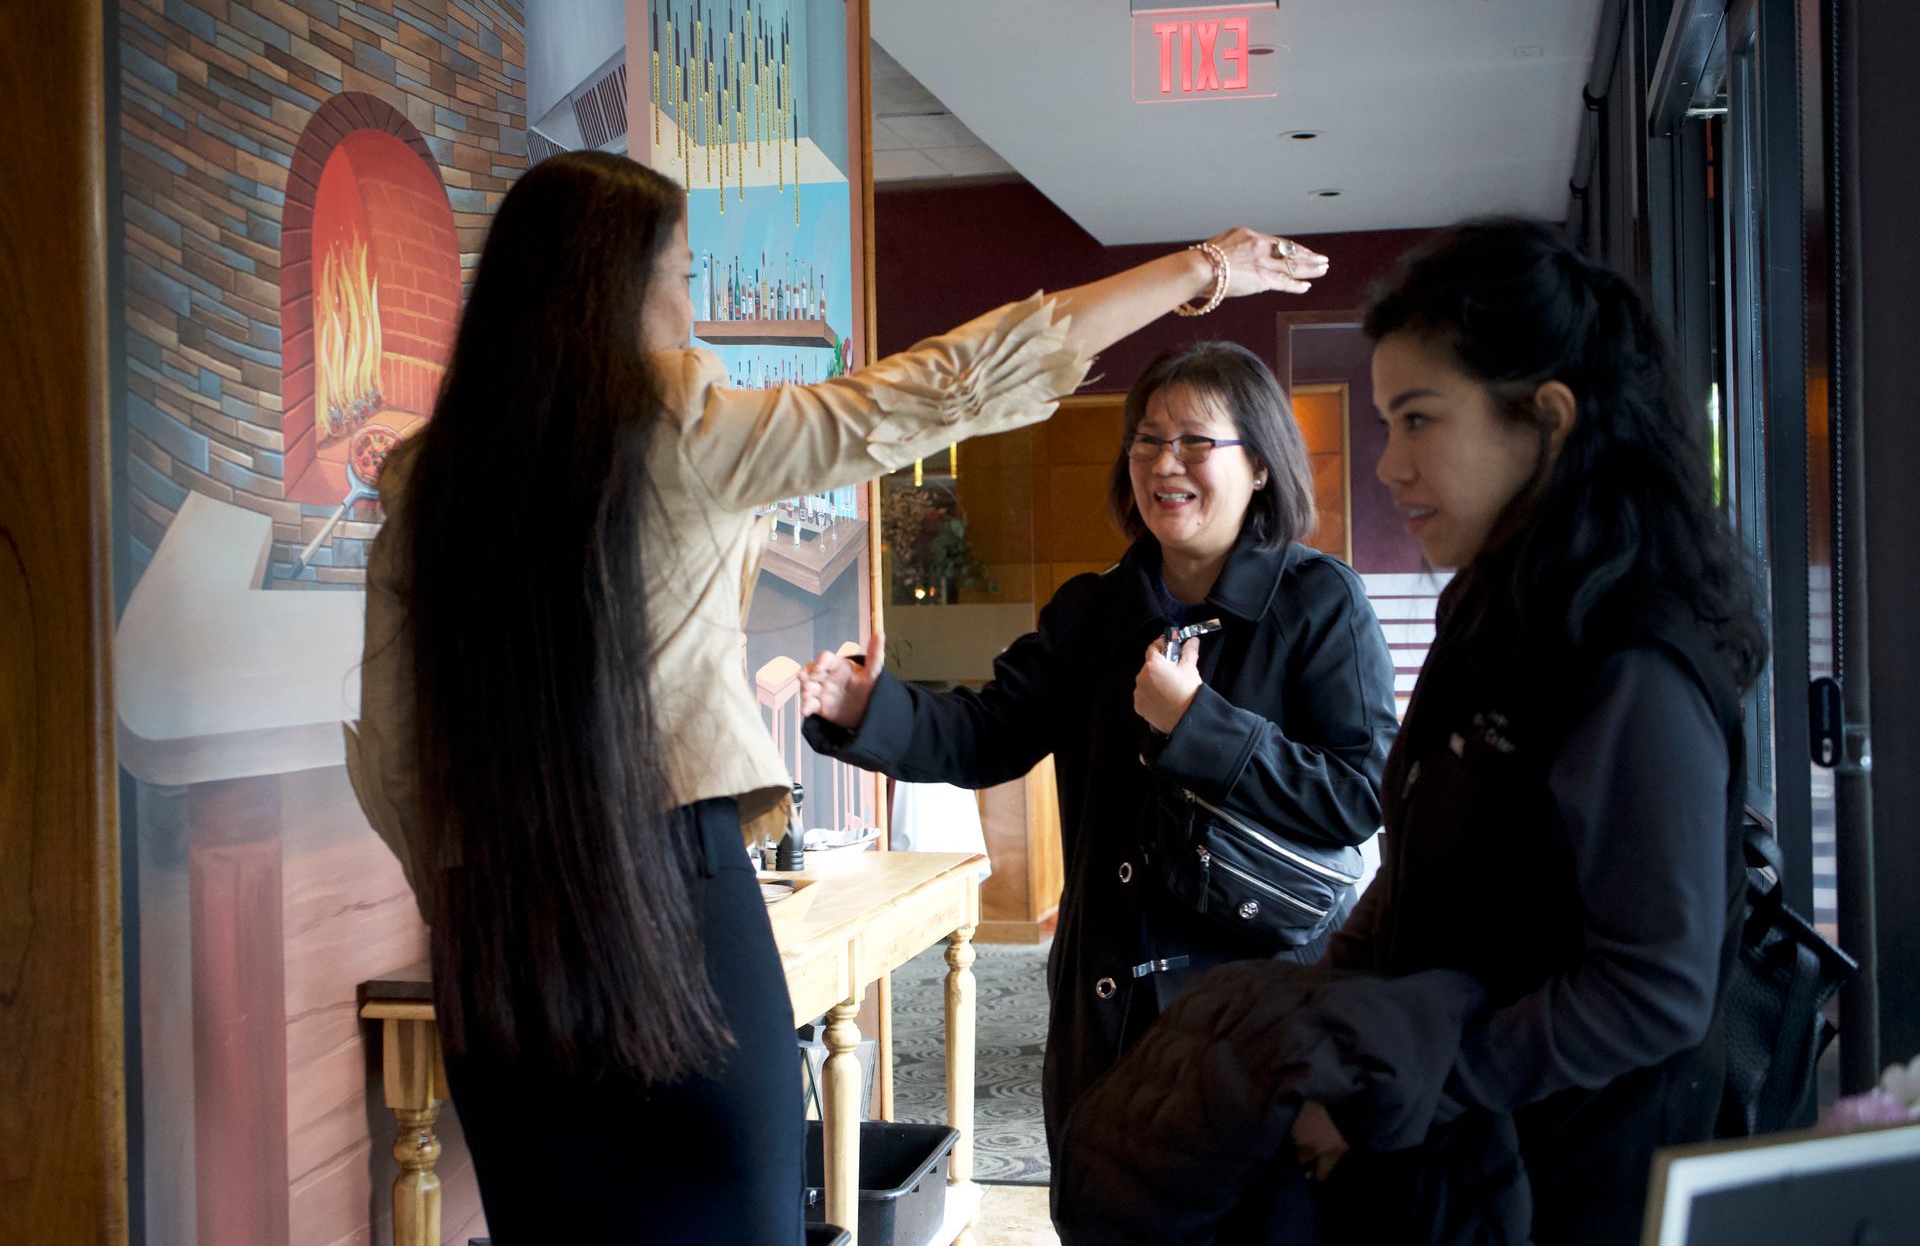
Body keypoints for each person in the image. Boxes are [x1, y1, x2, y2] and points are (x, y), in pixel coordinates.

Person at [343, 147, 1330, 1244]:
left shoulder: (431, 481)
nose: (689, 305)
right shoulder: (682, 427)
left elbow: (393, 754)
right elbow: (935, 388)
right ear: (615, 289)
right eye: (679, 273)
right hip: (675, 899)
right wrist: (1201, 267)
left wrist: (470, 902)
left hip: (490, 936)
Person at [797, 340, 1400, 1176]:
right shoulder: (1095, 611)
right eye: (1147, 440)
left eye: (1195, 441)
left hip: (1259, 1009)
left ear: (1259, 465)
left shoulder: (1320, 602)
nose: (1164, 463)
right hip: (1106, 1007)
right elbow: (987, 734)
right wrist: (873, 709)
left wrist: (1199, 725)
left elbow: (1357, 794)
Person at [1285, 216, 1769, 1242]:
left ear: (1546, 418)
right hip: (1459, 1162)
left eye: (1418, 420)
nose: (1388, 465)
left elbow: (1653, 988)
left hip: (1569, 1180)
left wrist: (1413, 1084)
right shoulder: (1497, 602)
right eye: (1385, 424)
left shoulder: (1632, 660)